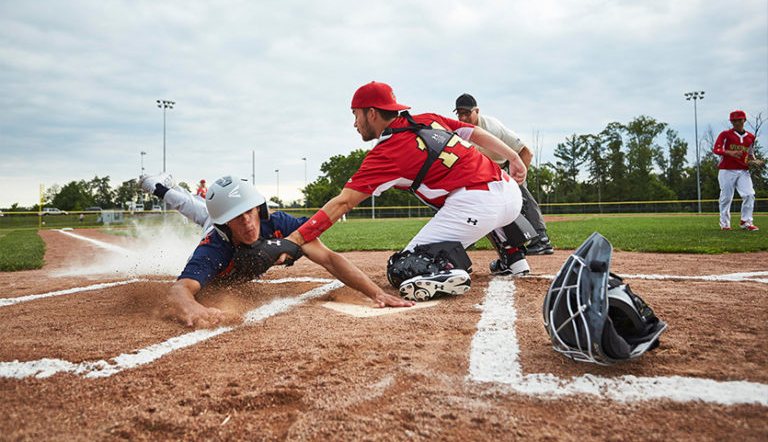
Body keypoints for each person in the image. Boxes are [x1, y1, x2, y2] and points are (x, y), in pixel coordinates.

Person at [283, 81, 533, 302]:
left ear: (372, 113)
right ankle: (514, 259)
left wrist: (295, 239)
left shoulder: (386, 152)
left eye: (356, 115)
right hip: (510, 192)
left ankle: (448, 268)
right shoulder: (429, 119)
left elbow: (343, 202)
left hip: (479, 203)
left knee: (403, 268)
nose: (355, 123)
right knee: (460, 193)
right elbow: (475, 133)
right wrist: (513, 157)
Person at [138, 172, 412, 328]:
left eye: (249, 211)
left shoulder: (278, 223)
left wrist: (376, 293)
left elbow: (329, 258)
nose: (246, 222)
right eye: (237, 217)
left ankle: (162, 186)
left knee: (197, 207)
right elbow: (178, 291)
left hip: (220, 217)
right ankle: (158, 185)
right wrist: (192, 309)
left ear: (260, 208)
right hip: (214, 222)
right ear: (225, 224)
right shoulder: (214, 246)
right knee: (189, 206)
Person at [453, 93, 554, 255]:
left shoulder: (493, 127)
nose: (463, 118)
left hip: (507, 165)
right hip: (484, 170)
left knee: (522, 195)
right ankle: (467, 238)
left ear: (476, 111)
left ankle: (542, 239)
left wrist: (519, 179)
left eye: (467, 113)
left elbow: (526, 152)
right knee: (466, 197)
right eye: (460, 114)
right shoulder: (459, 131)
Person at [713, 110, 759, 231]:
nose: (737, 123)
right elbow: (717, 149)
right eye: (734, 121)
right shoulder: (725, 134)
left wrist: (755, 162)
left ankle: (746, 221)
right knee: (726, 198)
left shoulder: (750, 137)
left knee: (749, 194)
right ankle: (725, 223)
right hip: (726, 169)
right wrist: (730, 152)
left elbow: (750, 154)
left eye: (739, 120)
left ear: (745, 120)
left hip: (743, 170)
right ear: (731, 122)